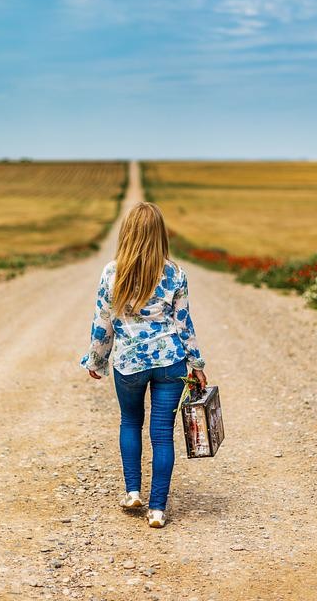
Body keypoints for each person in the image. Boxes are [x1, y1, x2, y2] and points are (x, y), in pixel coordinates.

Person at [80, 202, 207, 529]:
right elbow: (184, 323)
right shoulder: (175, 273)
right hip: (170, 361)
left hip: (129, 362)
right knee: (163, 435)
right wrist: (196, 363)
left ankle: (133, 491)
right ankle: (157, 510)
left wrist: (97, 359)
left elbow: (102, 323)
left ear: (128, 234)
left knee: (130, 421)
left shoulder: (112, 272)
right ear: (159, 236)